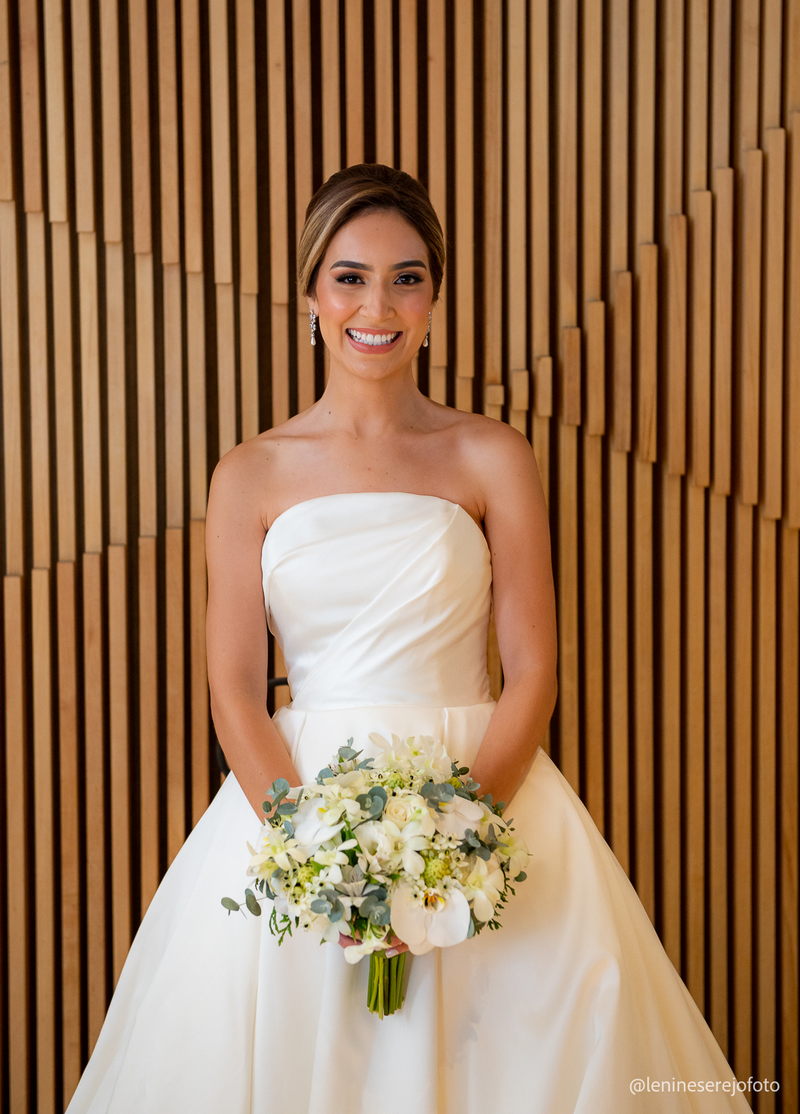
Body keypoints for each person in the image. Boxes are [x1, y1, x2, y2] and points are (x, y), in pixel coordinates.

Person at [67, 164, 751, 1113]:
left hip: (486, 799)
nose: (375, 305)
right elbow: (233, 687)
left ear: (435, 296)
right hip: (294, 809)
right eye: (348, 277)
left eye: (406, 276)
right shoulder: (249, 473)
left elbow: (535, 671)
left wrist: (461, 844)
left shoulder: (492, 455)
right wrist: (320, 860)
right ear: (310, 296)